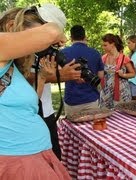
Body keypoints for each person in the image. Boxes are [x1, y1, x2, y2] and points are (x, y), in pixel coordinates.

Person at [0, 5, 70, 179]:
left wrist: (43, 78)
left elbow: (28, 108)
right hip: (17, 162)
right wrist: (58, 33)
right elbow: (51, 33)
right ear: (11, 27)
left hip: (33, 155)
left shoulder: (9, 65)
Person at [25, 4, 82, 160]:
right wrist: (60, 76)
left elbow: (41, 73)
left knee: (54, 156)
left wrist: (69, 74)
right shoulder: (21, 47)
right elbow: (24, 75)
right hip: (29, 114)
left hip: (46, 110)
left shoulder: (41, 49)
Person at [61, 25, 104, 116]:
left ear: (71, 37)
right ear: (84, 36)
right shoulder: (95, 53)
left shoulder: (63, 53)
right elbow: (101, 75)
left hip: (72, 99)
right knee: (92, 129)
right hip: (91, 99)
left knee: (72, 129)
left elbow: (57, 75)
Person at [99, 33, 136, 108]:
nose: (103, 47)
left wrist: (123, 75)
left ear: (112, 44)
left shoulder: (124, 58)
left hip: (121, 93)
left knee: (122, 115)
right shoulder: (103, 58)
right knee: (106, 114)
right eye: (103, 45)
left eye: (105, 45)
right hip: (106, 92)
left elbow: (133, 74)